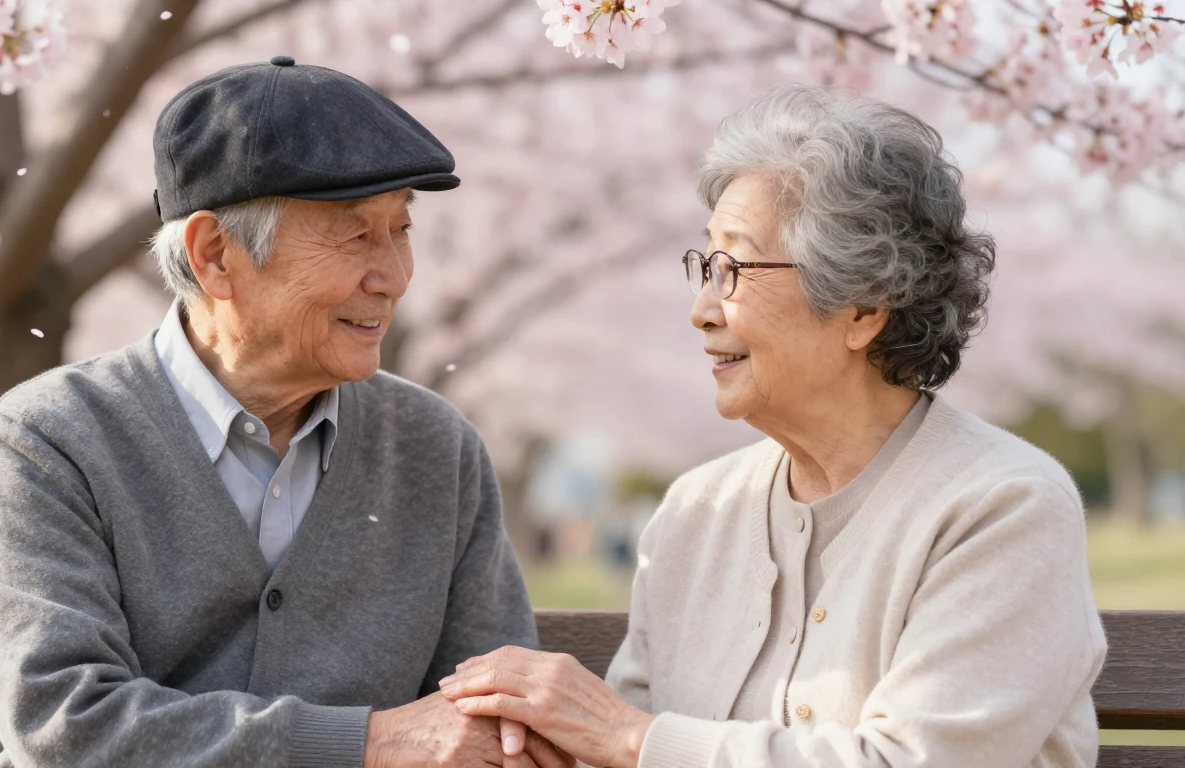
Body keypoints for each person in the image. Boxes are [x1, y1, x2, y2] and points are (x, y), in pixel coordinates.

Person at [438, 84, 1107, 768]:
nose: (701, 309)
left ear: (863, 306)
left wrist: (634, 739)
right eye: (704, 265)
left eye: (733, 267)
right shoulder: (696, 512)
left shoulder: (1004, 508)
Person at [0, 57, 570, 768]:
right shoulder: (46, 440)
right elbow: (67, 724)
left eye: (401, 230)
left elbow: (501, 726)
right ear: (215, 255)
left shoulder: (434, 447)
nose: (395, 278)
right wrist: (364, 744)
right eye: (355, 235)